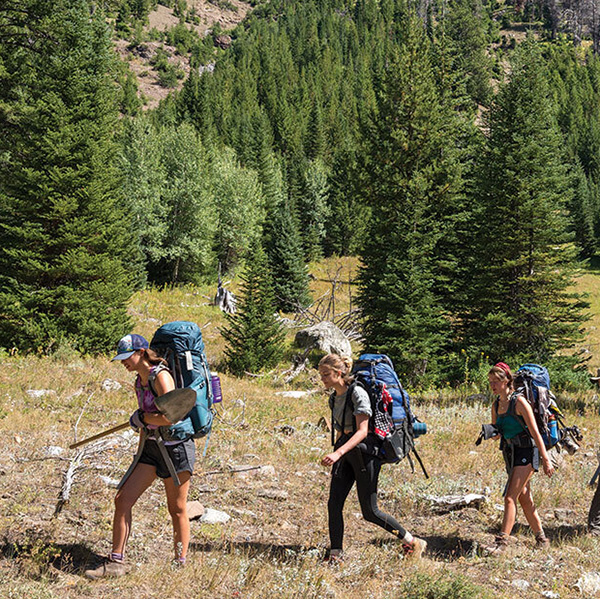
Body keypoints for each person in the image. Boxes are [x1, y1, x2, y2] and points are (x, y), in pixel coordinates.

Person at [85, 334, 195, 579]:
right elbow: (151, 419)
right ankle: (116, 562)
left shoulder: (161, 377)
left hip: (176, 449)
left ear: (142, 352)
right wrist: (142, 432)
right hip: (151, 448)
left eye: (127, 357)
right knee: (122, 500)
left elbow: (172, 417)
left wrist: (143, 419)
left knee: (177, 508)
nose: (123, 362)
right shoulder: (139, 381)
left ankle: (180, 565)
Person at [318, 353, 427, 563]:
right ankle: (336, 554)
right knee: (334, 504)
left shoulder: (357, 393)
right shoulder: (334, 397)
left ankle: (412, 542)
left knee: (370, 511)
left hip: (365, 454)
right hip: (346, 453)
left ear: (338, 373)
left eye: (326, 374)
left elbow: (361, 431)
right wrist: (337, 457)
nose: (322, 378)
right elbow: (342, 432)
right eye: (321, 374)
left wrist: (338, 453)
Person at [484, 362, 553, 554]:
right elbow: (498, 431)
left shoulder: (520, 402)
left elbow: (535, 433)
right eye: (490, 382)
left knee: (509, 497)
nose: (493, 386)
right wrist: (492, 433)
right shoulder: (496, 405)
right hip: (511, 454)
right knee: (524, 499)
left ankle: (501, 543)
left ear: (507, 380)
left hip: (527, 452)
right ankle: (542, 538)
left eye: (496, 381)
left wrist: (546, 460)